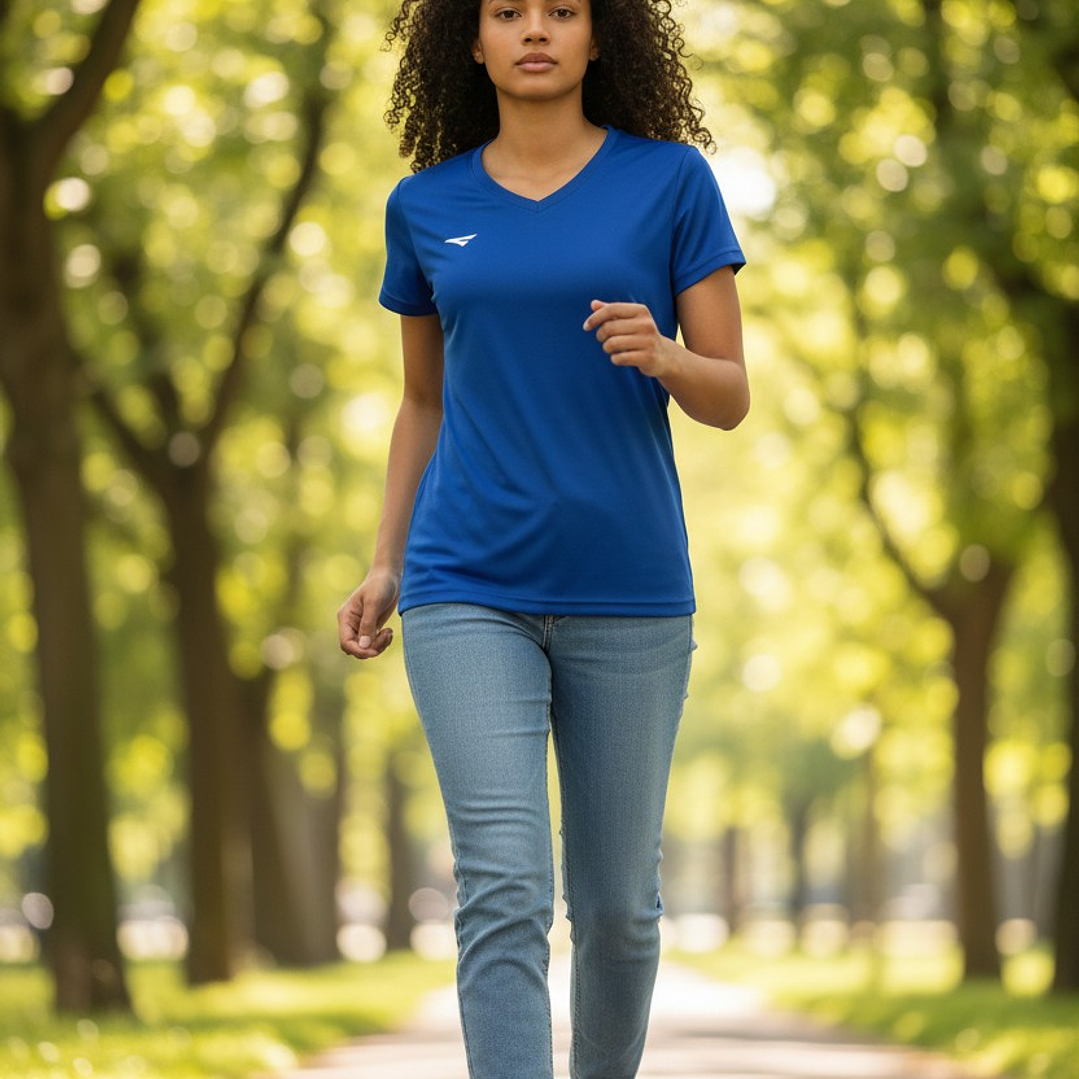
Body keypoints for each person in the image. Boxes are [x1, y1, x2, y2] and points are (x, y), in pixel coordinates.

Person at [337, 1, 747, 1075]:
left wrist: (661, 353)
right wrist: (385, 557)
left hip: (629, 585)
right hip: (464, 580)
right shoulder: (423, 205)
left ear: (600, 35)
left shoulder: (669, 183)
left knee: (616, 904)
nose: (534, 29)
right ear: (465, 42)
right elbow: (420, 402)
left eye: (561, 9)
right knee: (504, 881)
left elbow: (729, 394)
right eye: (506, 11)